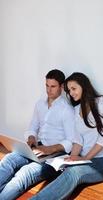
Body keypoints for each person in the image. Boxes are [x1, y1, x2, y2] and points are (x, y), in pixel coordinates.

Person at [29, 72, 103, 200]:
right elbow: (78, 140)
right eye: (69, 90)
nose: (71, 93)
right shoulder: (76, 110)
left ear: (84, 86)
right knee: (55, 167)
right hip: (84, 159)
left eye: (74, 88)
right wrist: (71, 158)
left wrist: (84, 158)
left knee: (73, 172)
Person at [0, 69, 76, 200]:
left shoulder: (66, 109)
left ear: (62, 87)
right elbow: (33, 127)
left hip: (55, 155)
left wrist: (49, 149)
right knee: (8, 160)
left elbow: (71, 141)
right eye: (47, 85)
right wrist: (31, 138)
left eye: (53, 86)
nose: (49, 90)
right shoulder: (39, 104)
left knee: (24, 174)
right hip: (37, 148)